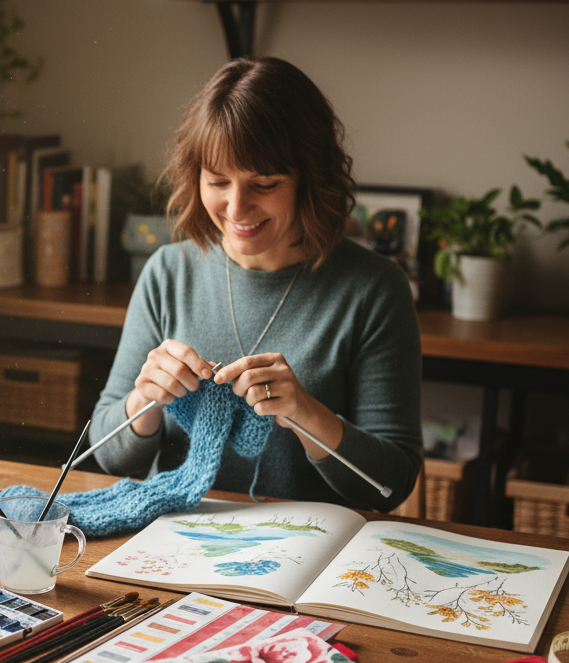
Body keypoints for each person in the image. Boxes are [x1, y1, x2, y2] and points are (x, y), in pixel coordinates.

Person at [89, 57, 421, 512]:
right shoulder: (168, 274)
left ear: (311, 179)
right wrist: (145, 401)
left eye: (263, 183)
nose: (237, 207)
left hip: (315, 557)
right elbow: (107, 456)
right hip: (177, 547)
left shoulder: (373, 289)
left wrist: (306, 413)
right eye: (217, 181)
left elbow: (392, 482)